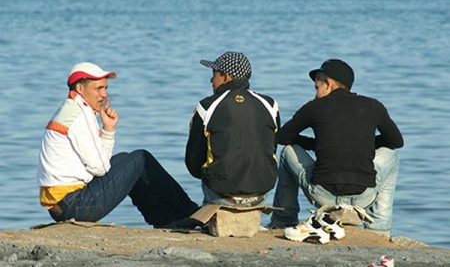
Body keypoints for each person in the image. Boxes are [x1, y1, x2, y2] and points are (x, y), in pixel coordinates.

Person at [36, 62, 198, 228]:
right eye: (98, 88)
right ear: (80, 88)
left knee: (127, 161)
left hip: (63, 206)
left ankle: (166, 220)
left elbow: (100, 164)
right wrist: (108, 133)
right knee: (140, 159)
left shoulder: (70, 110)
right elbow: (100, 168)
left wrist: (107, 128)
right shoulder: (78, 116)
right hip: (74, 205)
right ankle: (189, 213)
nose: (104, 94)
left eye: (105, 88)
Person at [269, 59, 404, 237]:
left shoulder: (314, 107)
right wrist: (364, 143)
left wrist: (313, 144)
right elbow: (396, 141)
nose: (315, 91)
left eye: (316, 86)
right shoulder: (373, 106)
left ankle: (283, 220)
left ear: (328, 83)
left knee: (287, 152)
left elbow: (282, 137)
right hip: (363, 195)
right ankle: (379, 229)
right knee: (391, 155)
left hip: (322, 195)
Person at [185, 51, 280, 206]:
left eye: (214, 74)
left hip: (222, 192)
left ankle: (209, 212)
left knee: (208, 169)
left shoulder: (206, 107)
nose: (211, 80)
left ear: (226, 77)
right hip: (261, 191)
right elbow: (271, 149)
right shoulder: (270, 105)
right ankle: (282, 220)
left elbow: (193, 164)